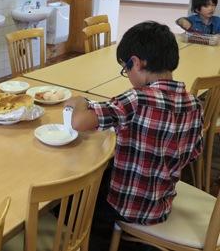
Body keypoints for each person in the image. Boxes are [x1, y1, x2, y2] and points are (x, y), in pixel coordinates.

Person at [65, 21, 203, 250]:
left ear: (136, 63)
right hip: (163, 202)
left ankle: (95, 240)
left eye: (125, 70)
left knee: (71, 198)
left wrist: (80, 101)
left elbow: (79, 121)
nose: (127, 76)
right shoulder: (194, 104)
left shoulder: (137, 99)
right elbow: (193, 153)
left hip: (128, 206)